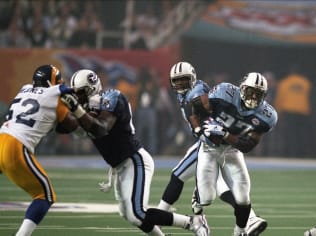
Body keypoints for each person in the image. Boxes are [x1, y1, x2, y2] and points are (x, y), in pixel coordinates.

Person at [60, 69, 209, 236]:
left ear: (91, 88)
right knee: (131, 216)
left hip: (134, 160)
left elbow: (101, 128)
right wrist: (59, 109)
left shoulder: (112, 97)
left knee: (138, 213)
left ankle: (192, 222)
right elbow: (67, 127)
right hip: (119, 166)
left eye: (80, 92)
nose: (77, 97)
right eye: (74, 94)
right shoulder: (85, 109)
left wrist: (76, 109)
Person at [156, 62, 268, 236]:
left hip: (211, 142)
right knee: (222, 185)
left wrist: (203, 130)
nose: (180, 85)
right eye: (176, 81)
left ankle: (160, 220)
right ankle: (249, 218)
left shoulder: (197, 92)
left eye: (183, 81)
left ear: (192, 79)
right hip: (213, 140)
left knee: (179, 176)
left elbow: (204, 113)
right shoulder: (188, 93)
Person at [191, 72, 278, 236]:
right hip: (209, 148)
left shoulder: (266, 115)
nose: (253, 96)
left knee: (243, 198)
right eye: (250, 91)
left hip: (232, 150)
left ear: (264, 96)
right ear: (241, 88)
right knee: (207, 198)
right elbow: (195, 107)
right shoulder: (225, 93)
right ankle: (198, 195)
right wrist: (200, 128)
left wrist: (224, 134)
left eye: (258, 94)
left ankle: (240, 232)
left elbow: (247, 146)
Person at [0, 64, 78, 236]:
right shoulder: (56, 94)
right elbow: (70, 125)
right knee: (45, 195)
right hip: (16, 146)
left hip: (2, 138)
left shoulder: (24, 89)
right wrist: (77, 107)